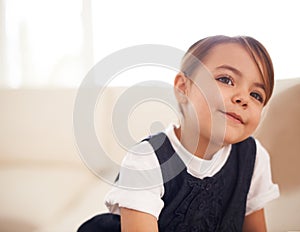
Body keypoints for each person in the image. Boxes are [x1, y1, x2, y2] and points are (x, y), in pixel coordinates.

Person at [78, 35, 280, 232]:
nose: (243, 98)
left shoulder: (252, 157)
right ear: (183, 88)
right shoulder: (147, 161)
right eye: (226, 80)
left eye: (256, 95)